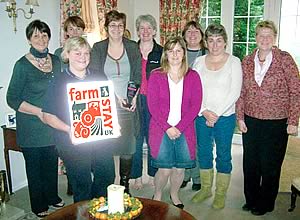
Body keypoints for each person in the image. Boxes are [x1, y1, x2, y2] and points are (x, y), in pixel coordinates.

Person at [236, 20, 300, 216]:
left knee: (270, 164)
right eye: (261, 35)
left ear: (274, 38)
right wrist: (240, 118)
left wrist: (293, 120)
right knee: (251, 163)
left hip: (277, 122)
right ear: (255, 38)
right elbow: (241, 91)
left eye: (268, 35)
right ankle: (251, 199)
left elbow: (295, 91)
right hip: (251, 119)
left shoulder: (284, 59)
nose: (264, 39)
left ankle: (266, 202)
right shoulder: (246, 60)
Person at [43, 36, 115, 202]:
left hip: (99, 137)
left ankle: (100, 210)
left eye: (86, 53)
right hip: (71, 140)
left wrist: (113, 124)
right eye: (77, 53)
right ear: (67, 55)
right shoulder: (58, 81)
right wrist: (71, 130)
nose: (83, 57)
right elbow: (47, 116)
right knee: (82, 184)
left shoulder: (99, 76)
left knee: (106, 176)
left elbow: (107, 106)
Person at [6, 20, 64, 218]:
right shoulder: (22, 65)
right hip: (31, 125)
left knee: (50, 162)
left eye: (45, 34)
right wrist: (39, 112)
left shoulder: (55, 60)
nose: (41, 39)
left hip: (52, 124)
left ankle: (52, 196)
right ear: (29, 39)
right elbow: (12, 99)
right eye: (36, 35)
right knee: (35, 168)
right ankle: (38, 205)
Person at [89, 10, 141, 194]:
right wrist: (113, 96)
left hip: (128, 103)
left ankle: (124, 184)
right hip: (106, 104)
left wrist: (133, 96)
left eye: (120, 25)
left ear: (124, 27)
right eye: (113, 25)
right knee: (107, 145)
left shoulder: (133, 46)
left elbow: (137, 73)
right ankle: (108, 182)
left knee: (127, 146)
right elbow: (96, 74)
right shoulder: (98, 47)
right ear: (106, 28)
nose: (116, 28)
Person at [148, 36, 202, 209]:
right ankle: (157, 193)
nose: (175, 54)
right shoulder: (156, 75)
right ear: (165, 54)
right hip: (161, 129)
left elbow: (196, 105)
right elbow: (152, 105)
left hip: (184, 130)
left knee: (179, 169)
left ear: (184, 53)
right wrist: (167, 128)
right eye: (171, 50)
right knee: (164, 169)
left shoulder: (193, 76)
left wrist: (179, 127)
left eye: (179, 50)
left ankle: (174, 194)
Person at [192, 24, 242, 209]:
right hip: (201, 115)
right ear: (206, 42)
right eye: (211, 40)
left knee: (223, 155)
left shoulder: (234, 62)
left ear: (225, 42)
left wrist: (216, 114)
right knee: (203, 152)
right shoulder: (199, 62)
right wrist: (204, 110)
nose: (215, 45)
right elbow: (194, 90)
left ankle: (220, 193)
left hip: (225, 117)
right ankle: (206, 189)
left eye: (218, 40)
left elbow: (235, 92)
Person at [131, 14, 163, 190]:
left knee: (153, 139)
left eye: (149, 27)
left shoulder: (161, 51)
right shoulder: (130, 49)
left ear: (154, 30)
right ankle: (136, 176)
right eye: (142, 28)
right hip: (135, 100)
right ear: (138, 31)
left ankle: (152, 173)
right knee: (136, 139)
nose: (145, 31)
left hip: (154, 102)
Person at [180, 20, 207, 191]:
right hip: (180, 106)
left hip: (200, 106)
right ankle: (185, 175)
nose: (192, 34)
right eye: (188, 31)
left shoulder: (207, 54)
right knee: (183, 143)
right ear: (184, 35)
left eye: (196, 31)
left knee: (197, 143)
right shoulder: (178, 53)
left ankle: (197, 176)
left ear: (201, 35)